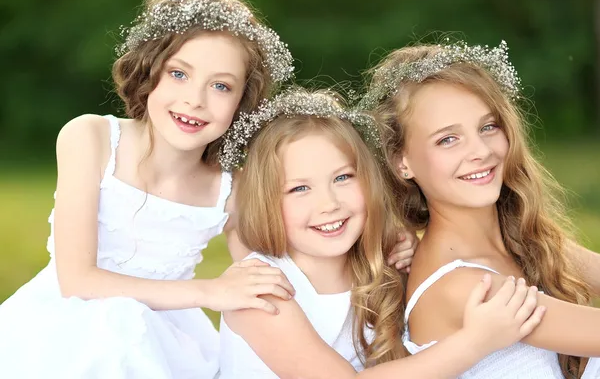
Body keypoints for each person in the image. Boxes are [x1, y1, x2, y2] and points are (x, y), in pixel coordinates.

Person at [0, 0, 296, 378]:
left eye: (220, 86)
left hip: (166, 339)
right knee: (116, 336)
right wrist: (210, 291)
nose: (195, 99)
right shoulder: (91, 138)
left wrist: (385, 246)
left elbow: (273, 275)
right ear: (149, 71)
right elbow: (77, 280)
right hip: (64, 332)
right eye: (179, 74)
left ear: (242, 103)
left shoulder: (231, 190)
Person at [218, 88, 546, 378]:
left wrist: (409, 263)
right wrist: (475, 342)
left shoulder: (379, 262)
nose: (329, 203)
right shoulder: (260, 292)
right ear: (266, 201)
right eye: (300, 188)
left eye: (343, 178)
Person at [364, 40, 600, 378]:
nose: (480, 151)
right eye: (448, 139)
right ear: (402, 163)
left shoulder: (528, 242)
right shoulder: (461, 286)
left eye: (488, 127)